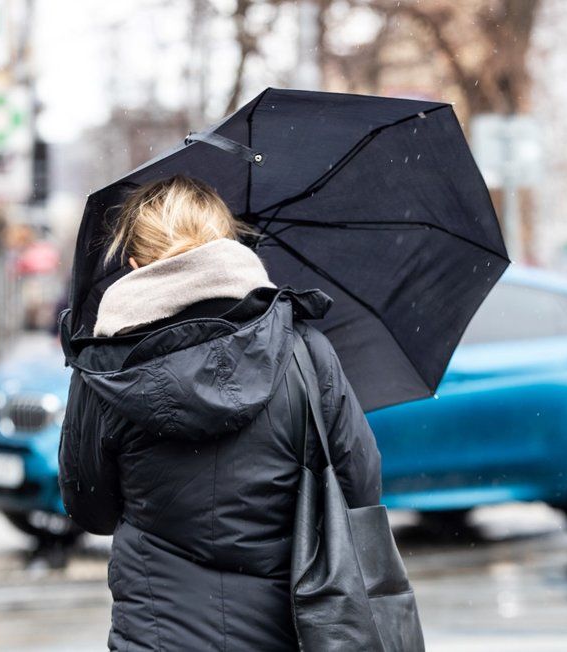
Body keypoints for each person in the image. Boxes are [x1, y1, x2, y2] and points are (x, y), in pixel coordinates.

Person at [58, 175, 382, 651]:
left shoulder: (104, 372)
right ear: (226, 245)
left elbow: (91, 508)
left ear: (134, 265)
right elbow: (362, 486)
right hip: (290, 629)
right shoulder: (304, 351)